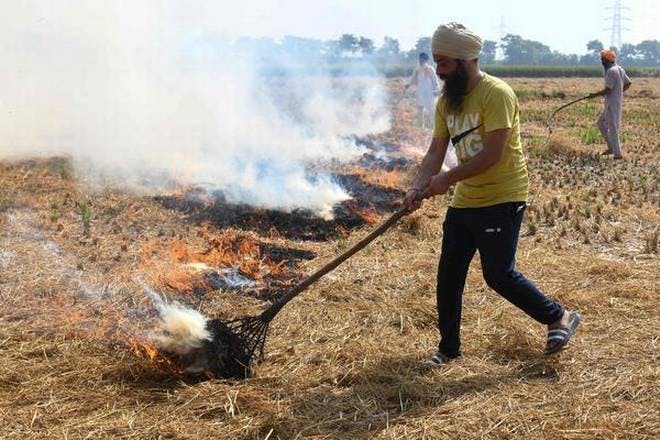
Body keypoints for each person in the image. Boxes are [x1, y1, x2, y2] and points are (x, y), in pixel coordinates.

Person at [403, 22, 581, 366]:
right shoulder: (447, 103)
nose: (439, 71)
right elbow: (434, 152)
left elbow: (492, 154)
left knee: (498, 274)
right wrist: (417, 185)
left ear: (465, 61)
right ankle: (448, 349)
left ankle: (558, 316)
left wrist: (446, 179)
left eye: (444, 63)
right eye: (437, 62)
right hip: (467, 197)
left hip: (503, 194)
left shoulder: (496, 93)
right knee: (449, 273)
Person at [589, 49, 632, 160]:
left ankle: (618, 154)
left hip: (611, 104)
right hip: (614, 102)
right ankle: (611, 147)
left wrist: (594, 94)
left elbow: (608, 90)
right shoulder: (619, 69)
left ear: (606, 60)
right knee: (601, 123)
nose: (601, 61)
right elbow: (628, 83)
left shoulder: (611, 71)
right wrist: (619, 92)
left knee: (613, 128)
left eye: (602, 59)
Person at [408, 52, 440, 130]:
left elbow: (435, 80)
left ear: (425, 60)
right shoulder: (417, 69)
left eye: (422, 59)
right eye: (419, 58)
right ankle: (421, 127)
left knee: (431, 110)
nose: (420, 60)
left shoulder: (430, 69)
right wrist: (408, 85)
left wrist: (436, 90)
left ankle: (432, 127)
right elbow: (413, 79)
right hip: (420, 92)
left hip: (429, 92)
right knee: (420, 109)